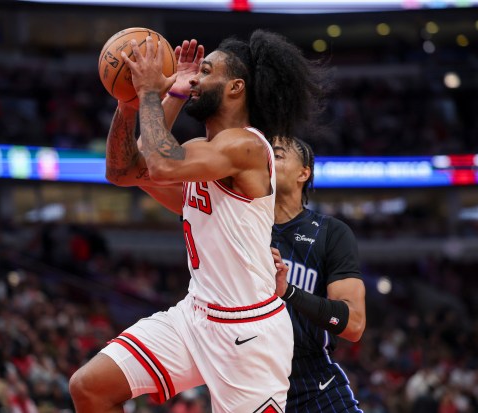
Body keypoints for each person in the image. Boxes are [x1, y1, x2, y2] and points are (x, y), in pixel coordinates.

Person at [69, 31, 324, 413]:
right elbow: (124, 170)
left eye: (205, 72)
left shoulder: (248, 146)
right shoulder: (198, 152)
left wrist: (153, 93)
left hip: (247, 333)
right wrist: (130, 104)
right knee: (90, 388)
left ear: (235, 87)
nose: (193, 80)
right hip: (195, 316)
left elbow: (161, 163)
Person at [270, 136, 366, 412]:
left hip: (312, 379)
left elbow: (354, 325)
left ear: (304, 172)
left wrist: (289, 292)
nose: (265, 159)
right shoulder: (239, 219)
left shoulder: (330, 232)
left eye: (276, 154)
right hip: (249, 373)